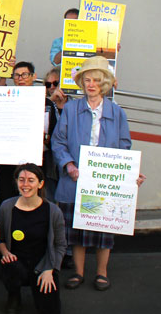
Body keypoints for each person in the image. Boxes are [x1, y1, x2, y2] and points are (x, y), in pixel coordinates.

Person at [51, 56, 145, 291]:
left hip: (103, 181)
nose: (91, 84)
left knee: (105, 226)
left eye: (96, 80)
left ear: (104, 84)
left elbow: (124, 146)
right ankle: (79, 272)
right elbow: (59, 142)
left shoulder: (117, 112)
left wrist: (127, 174)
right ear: (82, 83)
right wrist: (69, 165)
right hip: (76, 179)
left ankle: (102, 272)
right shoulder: (71, 109)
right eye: (87, 80)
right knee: (77, 229)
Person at [0, 163, 66, 314]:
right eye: (21, 180)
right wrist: (5, 253)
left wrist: (50, 269)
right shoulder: (7, 207)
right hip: (16, 262)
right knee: (9, 266)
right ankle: (14, 295)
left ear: (40, 184)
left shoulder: (53, 211)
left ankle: (39, 289)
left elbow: (60, 245)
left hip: (42, 264)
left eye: (31, 180)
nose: (25, 185)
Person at [0, 61, 59, 211]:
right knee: (5, 204)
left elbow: (55, 136)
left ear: (34, 76)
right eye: (17, 75)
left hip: (36, 164)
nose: (20, 79)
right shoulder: (4, 100)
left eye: (25, 75)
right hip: (7, 164)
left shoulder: (46, 104)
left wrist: (45, 138)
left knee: (35, 206)